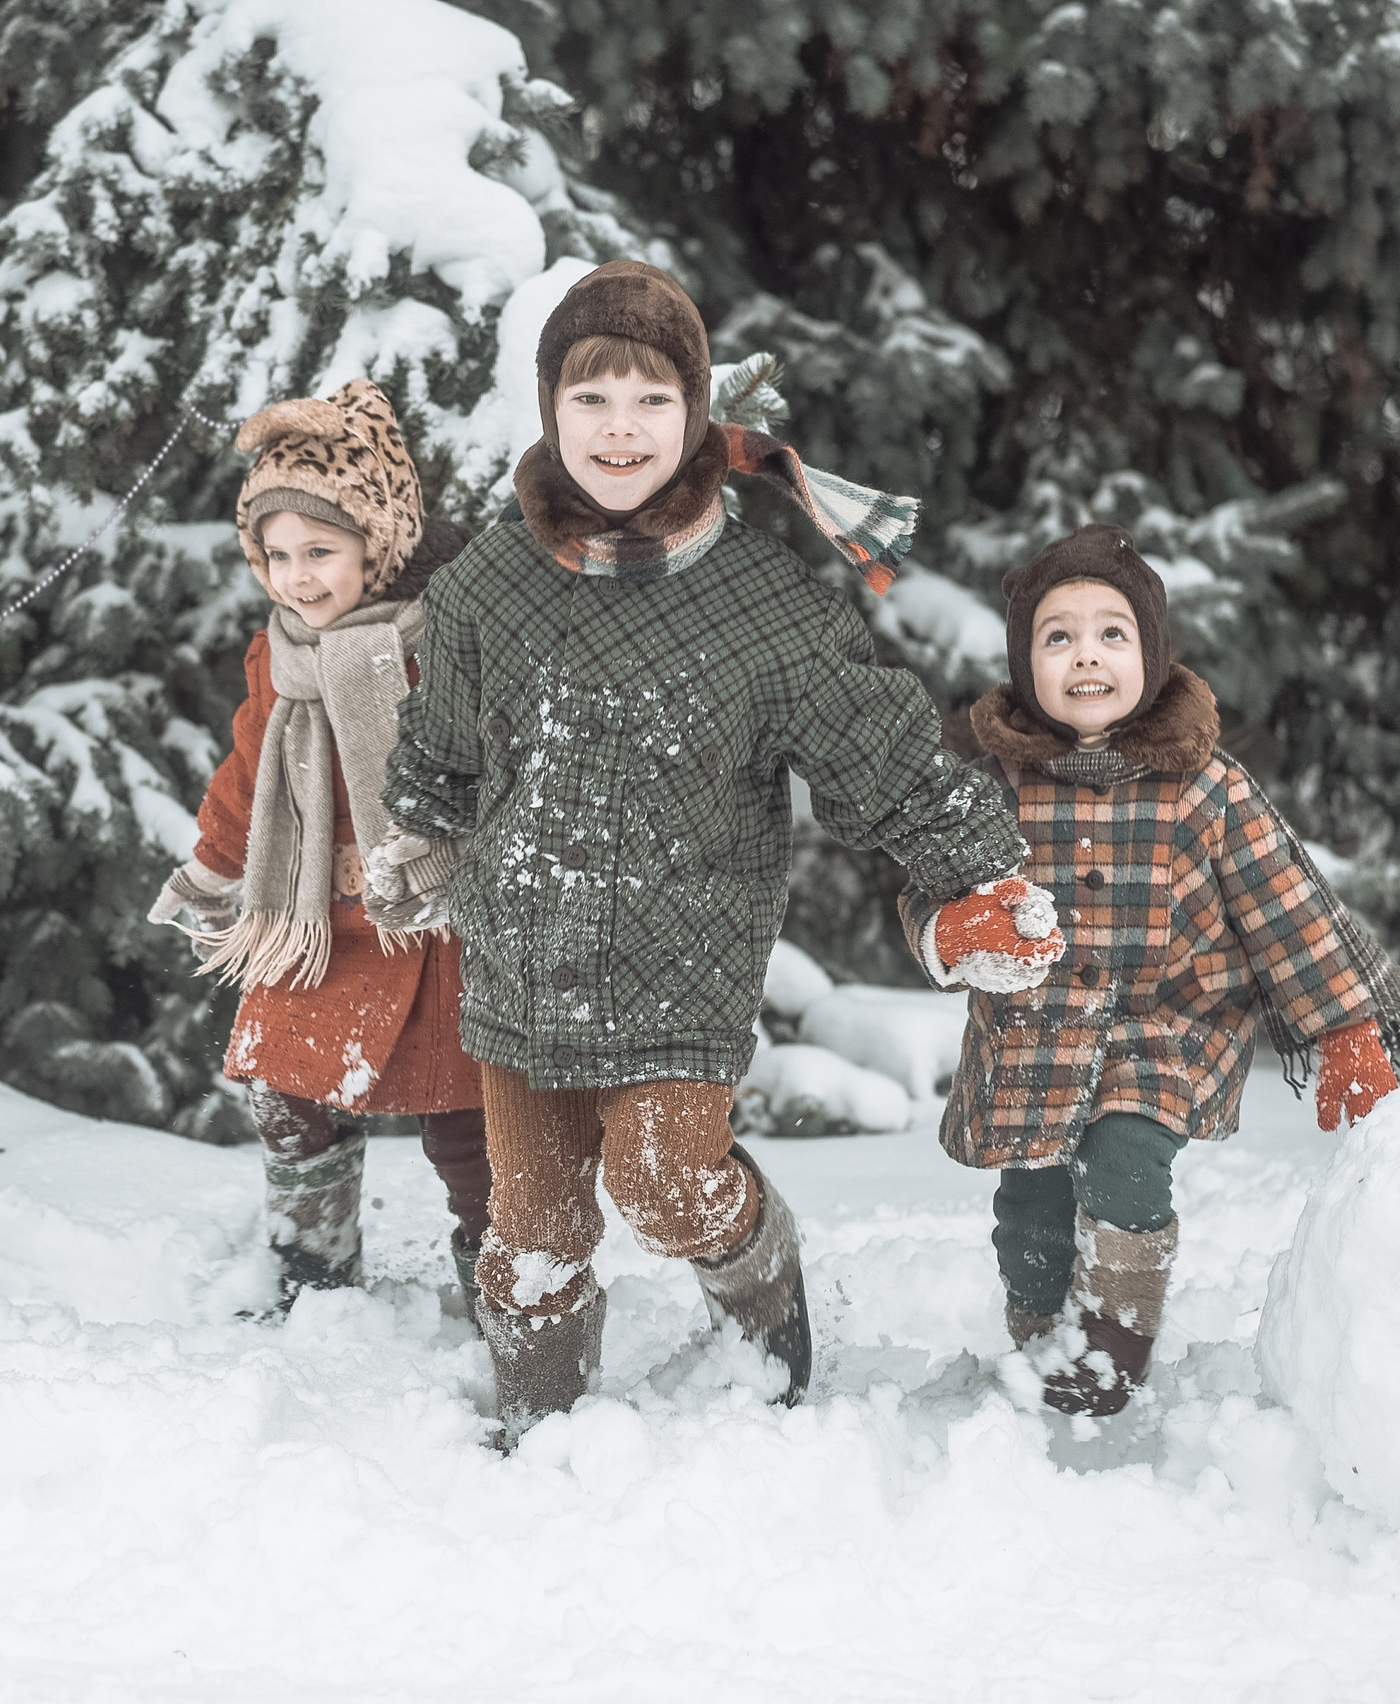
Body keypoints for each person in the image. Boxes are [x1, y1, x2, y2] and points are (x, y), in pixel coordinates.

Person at [369, 260, 1058, 1440]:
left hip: (684, 951)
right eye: (589, 400)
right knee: (526, 1224)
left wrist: (979, 874)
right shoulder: (491, 578)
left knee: (661, 1179)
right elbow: (445, 732)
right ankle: (538, 1438)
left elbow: (877, 749)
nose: (619, 428)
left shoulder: (760, 602)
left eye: (649, 398)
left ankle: (760, 1280)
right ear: (549, 410)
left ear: (694, 411)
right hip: (520, 950)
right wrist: (420, 828)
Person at [903, 523, 1400, 1417]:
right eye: (1057, 636)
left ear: (1150, 655)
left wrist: (1347, 1025)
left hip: (1169, 1026)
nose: (1087, 657)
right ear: (1024, 662)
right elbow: (932, 891)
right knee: (1030, 1194)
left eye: (1113, 634)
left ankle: (1113, 1340)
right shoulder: (994, 785)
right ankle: (1041, 1332)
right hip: (1034, 1031)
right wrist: (951, 934)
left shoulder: (1205, 786)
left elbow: (1286, 906)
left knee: (1123, 1157)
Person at [146, 380, 488, 1315]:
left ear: (377, 545)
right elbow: (250, 770)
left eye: (320, 553)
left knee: (472, 1128)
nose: (297, 578)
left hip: (439, 921)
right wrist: (214, 870)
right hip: (322, 924)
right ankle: (315, 1276)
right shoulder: (283, 649)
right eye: (275, 555)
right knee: (289, 1097)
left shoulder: (451, 639)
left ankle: (508, 1291)